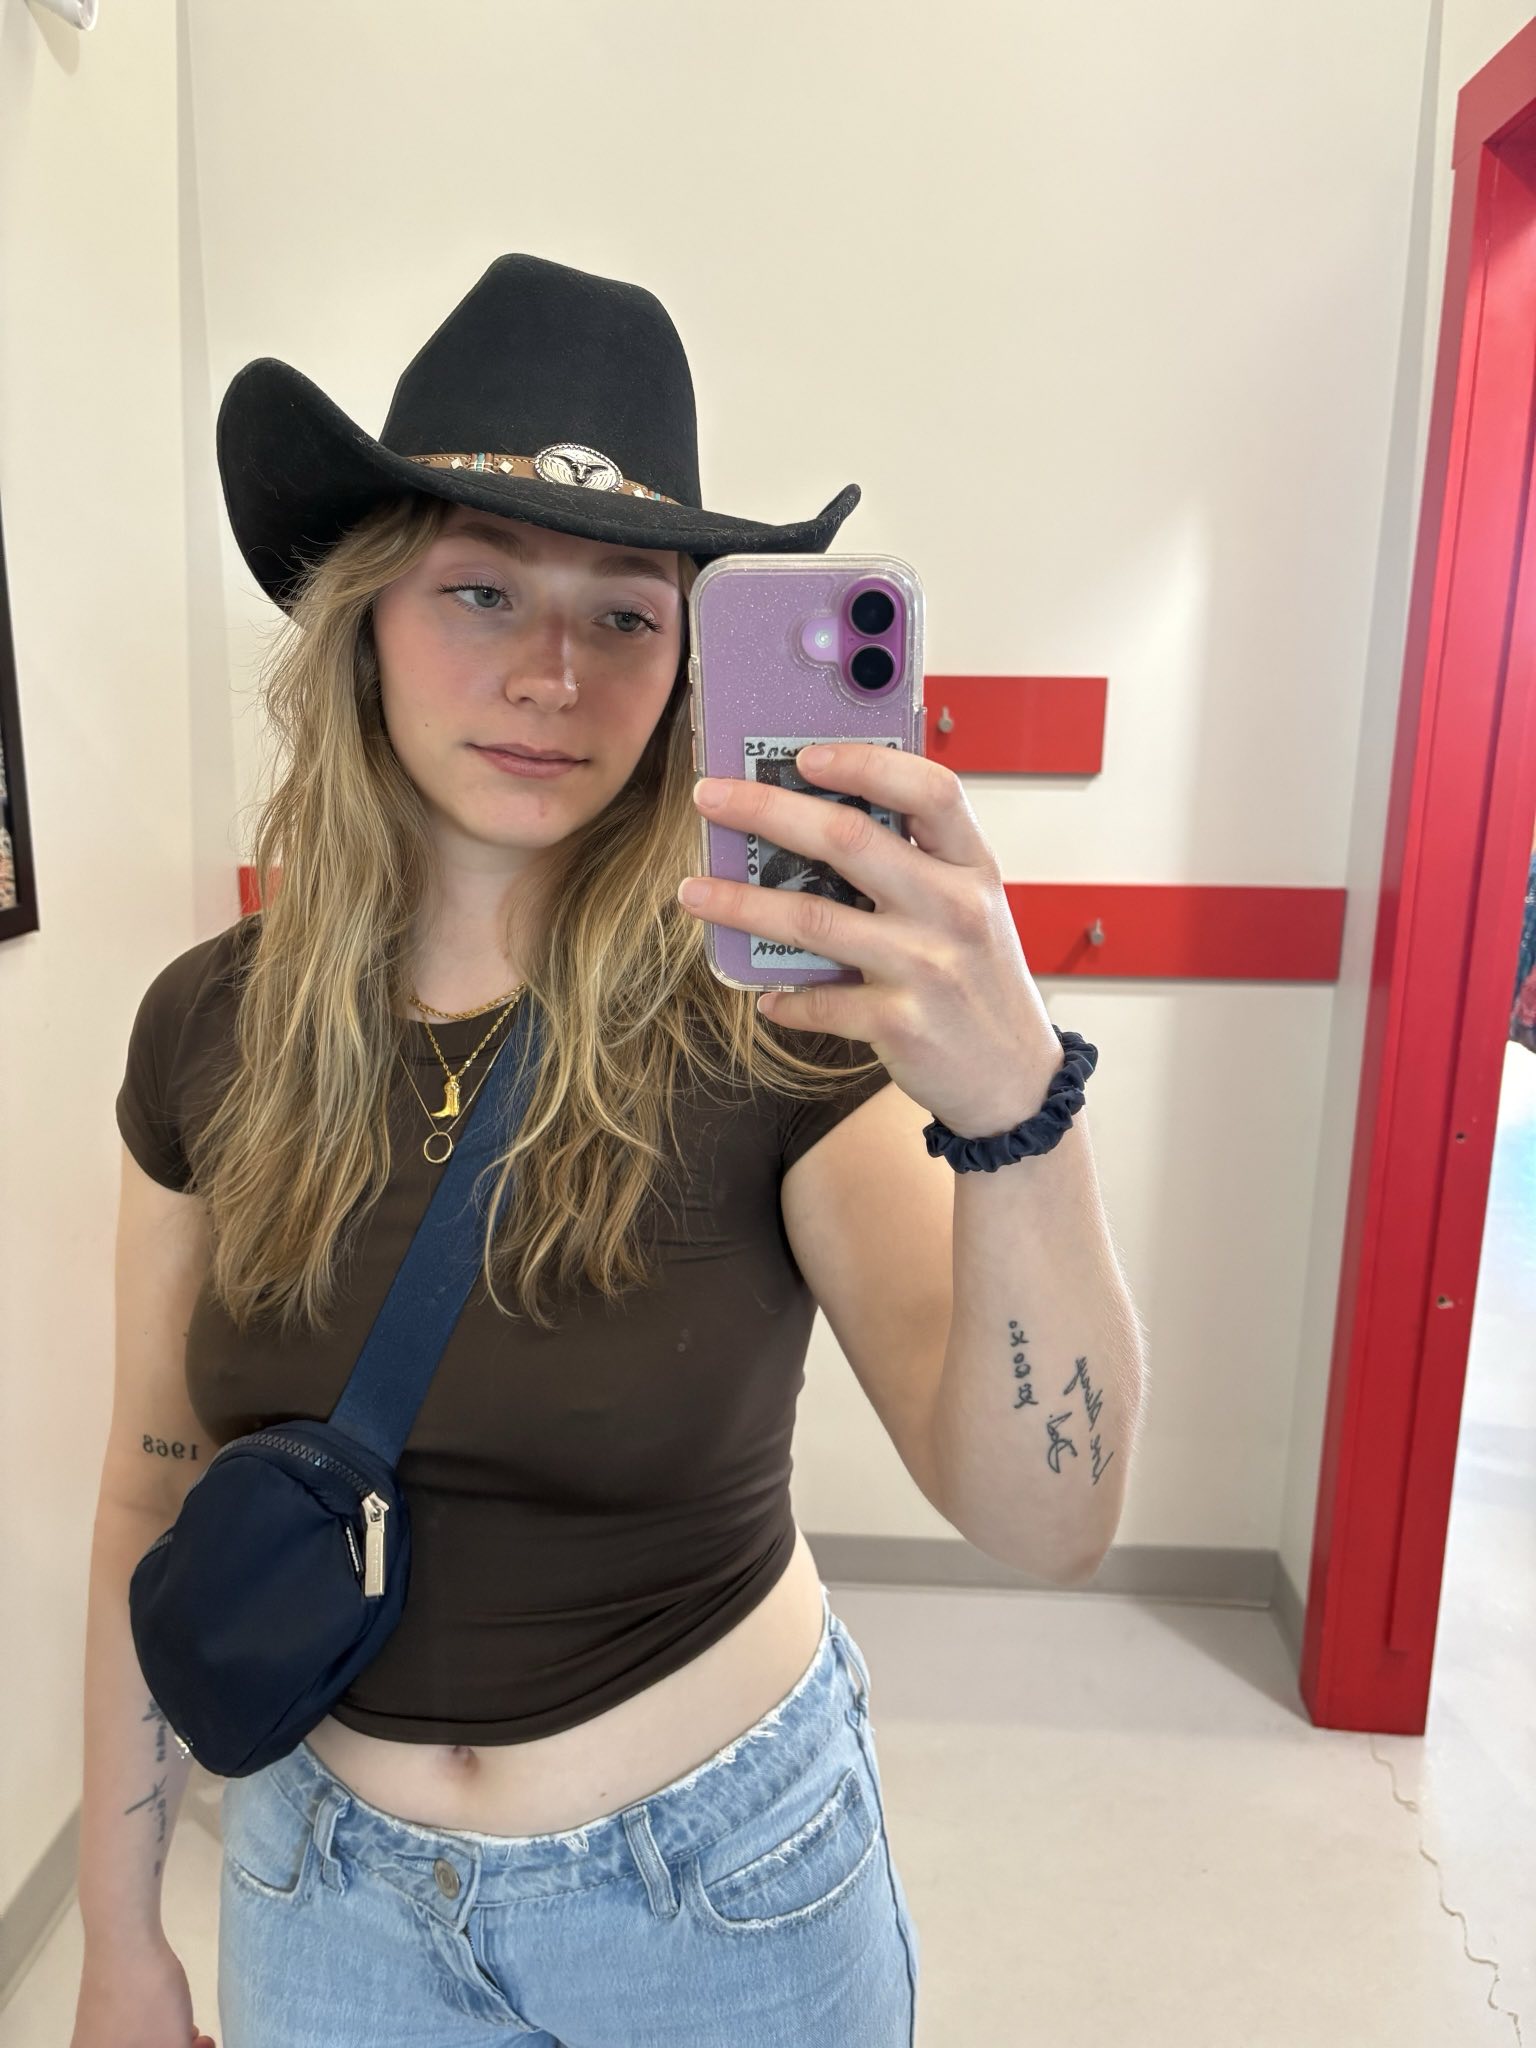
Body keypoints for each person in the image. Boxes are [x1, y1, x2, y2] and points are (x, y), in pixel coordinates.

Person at [76, 254, 930, 2048]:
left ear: (690, 666)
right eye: (480, 589)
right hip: (321, 1900)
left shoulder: (780, 1016)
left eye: (626, 614)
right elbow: (151, 1499)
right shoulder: (203, 1027)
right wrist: (120, 1935)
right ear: (366, 622)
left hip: (725, 1904)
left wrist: (1020, 1113)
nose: (552, 674)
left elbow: (1043, 1509)